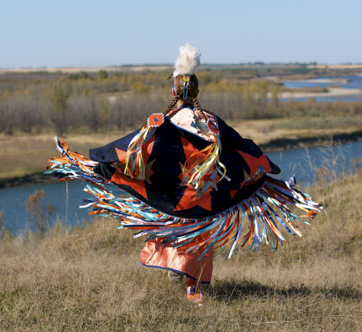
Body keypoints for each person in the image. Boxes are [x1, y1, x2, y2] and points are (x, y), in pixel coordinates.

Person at [47, 43, 321, 304]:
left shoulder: (163, 123)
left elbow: (135, 150)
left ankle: (180, 278)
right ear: (196, 91)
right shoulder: (211, 121)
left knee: (175, 233)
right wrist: (262, 168)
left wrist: (105, 161)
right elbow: (239, 148)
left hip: (174, 198)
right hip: (207, 199)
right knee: (199, 238)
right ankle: (194, 287)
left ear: (174, 91)